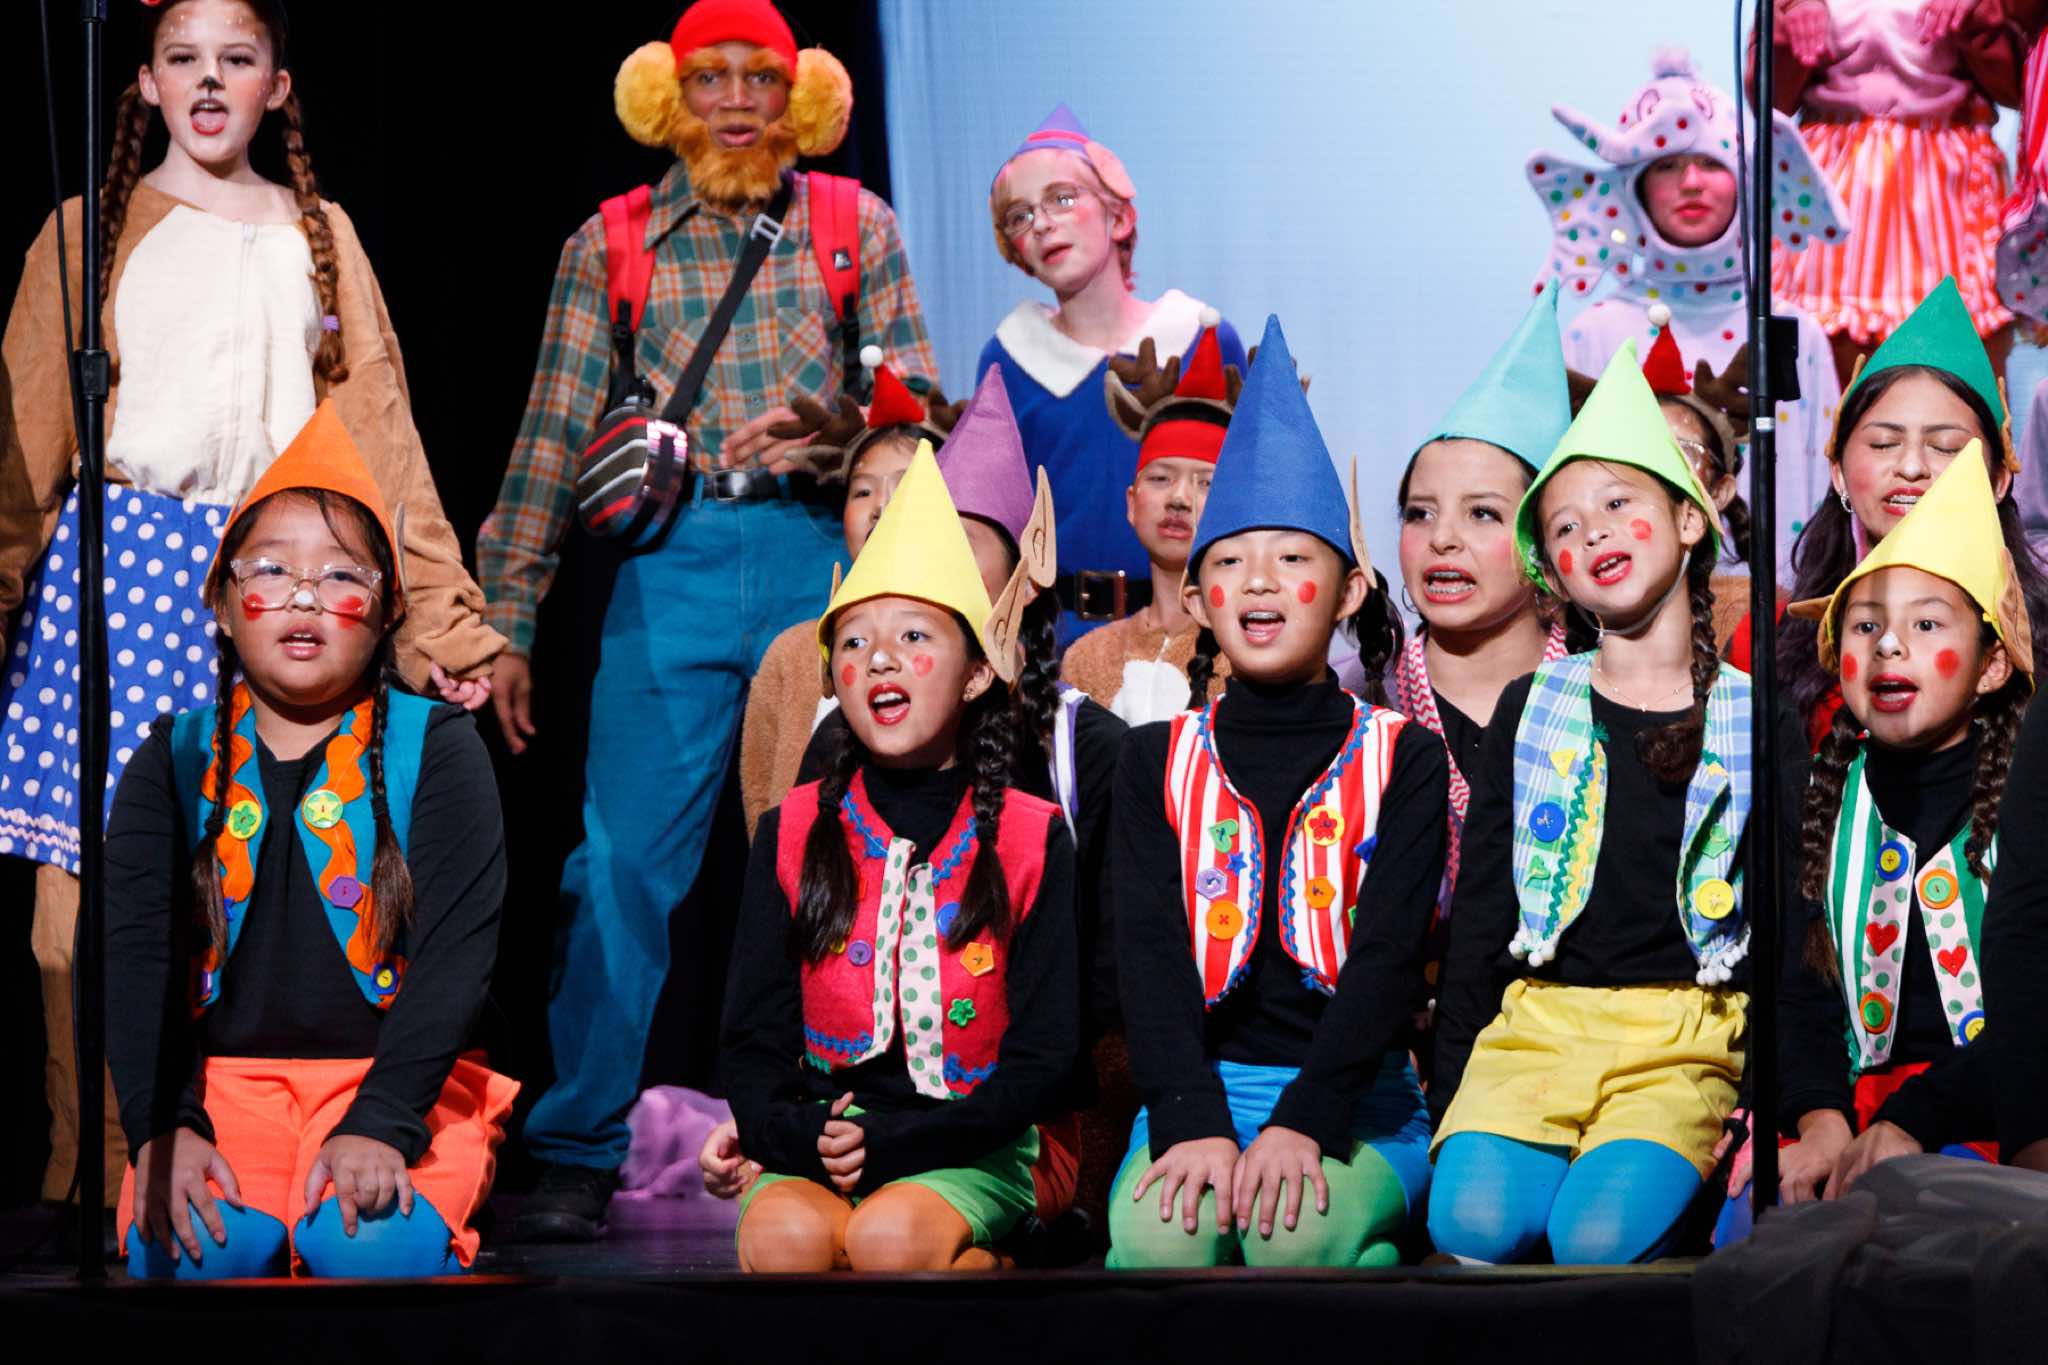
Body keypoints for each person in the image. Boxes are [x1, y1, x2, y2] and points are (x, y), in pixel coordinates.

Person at [0, 0, 500, 1210]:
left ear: (277, 84)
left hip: (274, 579)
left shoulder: (315, 234)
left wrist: (441, 617)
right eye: (184, 59)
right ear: (145, 82)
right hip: (120, 572)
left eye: (238, 58)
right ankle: (104, 1179)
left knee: (246, 882)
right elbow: (25, 431)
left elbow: (382, 429)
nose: (210, 81)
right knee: (91, 899)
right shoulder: (88, 231)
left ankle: (258, 1158)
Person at [479, 0, 939, 1241]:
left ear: (801, 95)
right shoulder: (612, 241)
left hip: (816, 557)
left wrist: (835, 435)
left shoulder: (852, 224)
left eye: (761, 78)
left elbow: (921, 414)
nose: (737, 101)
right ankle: (577, 1144)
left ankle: (859, 1132)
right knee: (620, 865)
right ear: (666, 95)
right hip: (669, 567)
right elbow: (549, 436)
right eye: (710, 78)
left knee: (846, 856)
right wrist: (505, 623)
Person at [105, 404, 516, 1278]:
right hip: (220, 1094)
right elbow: (134, 956)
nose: (303, 597)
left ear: (387, 607)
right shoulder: (172, 757)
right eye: (271, 569)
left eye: (339, 576)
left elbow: (456, 960)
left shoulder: (439, 749)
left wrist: (383, 1119)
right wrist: (162, 1126)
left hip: (397, 1082)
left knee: (368, 1249)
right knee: (196, 1257)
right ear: (223, 605)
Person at [1427, 342, 1807, 1265]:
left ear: (1688, 519)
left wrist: (1774, 1103)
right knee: (1469, 1224)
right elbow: (1482, 912)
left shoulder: (1753, 715)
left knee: (1594, 1241)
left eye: (1615, 504)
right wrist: (1455, 1087)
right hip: (1540, 1027)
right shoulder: (1532, 704)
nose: (1592, 532)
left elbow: (1787, 931)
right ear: (1553, 568)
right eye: (1565, 524)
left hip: (1681, 1037)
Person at [1105, 317, 1443, 1269]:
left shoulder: (1403, 756)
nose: (1259, 580)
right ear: (1198, 596)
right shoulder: (1153, 759)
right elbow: (1149, 959)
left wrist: (1308, 1116)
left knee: (1287, 1240)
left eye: (1293, 557)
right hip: (1201, 1090)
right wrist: (1190, 1115)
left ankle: (1368, 1251)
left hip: (1356, 1097)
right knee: (1162, 1249)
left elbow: (1386, 963)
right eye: (1229, 561)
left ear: (1348, 590)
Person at [721, 445, 1078, 1272]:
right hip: (832, 1140)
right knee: (783, 1240)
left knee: (887, 1241)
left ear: (978, 671)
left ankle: (994, 1261)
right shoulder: (792, 830)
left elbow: (1044, 1060)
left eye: (913, 635)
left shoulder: (1030, 837)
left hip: (971, 1142)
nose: (878, 658)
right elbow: (750, 1039)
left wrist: (906, 1142)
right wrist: (801, 1134)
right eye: (854, 641)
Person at [1717, 448, 2026, 1244]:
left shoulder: (2029, 798)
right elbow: (1799, 996)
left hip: (1998, 1104)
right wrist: (1819, 1119)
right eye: (1866, 626)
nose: (1890, 646)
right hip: (1850, 1106)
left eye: (1927, 624)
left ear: (1992, 664)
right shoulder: (1821, 796)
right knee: (1755, 1236)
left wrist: (1918, 1119)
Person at [1535, 46, 1843, 567]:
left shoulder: (1794, 330)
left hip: (1779, 597)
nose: (1692, 182)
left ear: (1746, 182)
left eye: (1710, 163)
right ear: (1634, 189)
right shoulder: (1593, 333)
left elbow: (1824, 485)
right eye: (1668, 165)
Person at [1392, 282, 1578, 1075]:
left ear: (1546, 543)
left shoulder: (1603, 699)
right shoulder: (1358, 700)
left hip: (1567, 1044)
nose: (1443, 539)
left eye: (1482, 514)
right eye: (1420, 512)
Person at [1745, 277, 2048, 748]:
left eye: (1945, 446)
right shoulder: (1765, 642)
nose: (1911, 467)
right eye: (1884, 443)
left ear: (1998, 480)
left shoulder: (2040, 643)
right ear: (1838, 472)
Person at [981, 105, 1246, 641]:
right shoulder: (1008, 358)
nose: (1042, 223)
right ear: (1016, 250)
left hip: (1189, 627)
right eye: (1020, 215)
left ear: (1119, 217)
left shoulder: (1200, 338)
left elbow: (1244, 497)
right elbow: (997, 518)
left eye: (1062, 198)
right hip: (1054, 640)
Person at [1759, 0, 2046, 384]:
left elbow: (2019, 87)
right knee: (1826, 361)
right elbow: (1768, 99)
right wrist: (1786, 25)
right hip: (1838, 178)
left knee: (1957, 367)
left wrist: (1978, 20)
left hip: (1946, 178)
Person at [739, 365, 963, 836]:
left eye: (905, 486)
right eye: (863, 491)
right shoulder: (793, 654)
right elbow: (762, 798)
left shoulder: (971, 645)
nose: (880, 506)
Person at [1059, 318, 1237, 723]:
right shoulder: (1085, 658)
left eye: (1206, 483)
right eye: (1160, 478)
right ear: (1132, 502)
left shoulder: (1248, 652)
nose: (1179, 498)